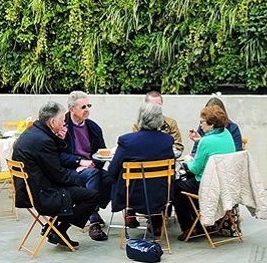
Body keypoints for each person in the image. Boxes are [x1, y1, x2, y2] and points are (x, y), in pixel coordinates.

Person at [11, 101, 100, 248]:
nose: (64, 124)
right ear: (52, 122)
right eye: (62, 121)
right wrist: (78, 180)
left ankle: (55, 229)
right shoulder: (43, 140)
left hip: (31, 187)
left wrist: (59, 139)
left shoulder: (32, 132)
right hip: (43, 192)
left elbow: (52, 162)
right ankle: (59, 230)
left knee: (81, 189)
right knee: (91, 195)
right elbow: (58, 175)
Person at [109, 102, 175, 235]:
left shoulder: (127, 140)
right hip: (160, 197)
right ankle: (157, 223)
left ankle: (130, 216)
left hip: (132, 198)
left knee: (118, 176)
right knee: (156, 181)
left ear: (140, 118)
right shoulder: (167, 140)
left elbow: (112, 170)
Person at [173, 105, 236, 241]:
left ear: (211, 124)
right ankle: (200, 222)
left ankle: (188, 226)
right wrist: (200, 140)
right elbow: (214, 149)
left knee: (175, 186)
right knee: (186, 184)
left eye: (202, 122)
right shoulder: (226, 134)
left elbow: (195, 168)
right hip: (225, 182)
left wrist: (188, 160)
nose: (200, 125)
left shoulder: (206, 142)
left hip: (207, 184)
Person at [58, 91, 110, 241]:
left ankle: (91, 209)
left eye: (89, 105)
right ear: (72, 110)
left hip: (91, 167)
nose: (87, 109)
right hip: (70, 169)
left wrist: (95, 163)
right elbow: (58, 155)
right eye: (83, 107)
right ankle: (93, 220)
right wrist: (79, 162)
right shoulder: (62, 126)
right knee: (93, 176)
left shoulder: (94, 127)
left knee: (111, 178)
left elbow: (102, 151)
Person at [143, 91, 183, 157]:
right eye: (152, 105)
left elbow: (178, 147)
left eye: (158, 105)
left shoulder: (171, 123)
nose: (156, 108)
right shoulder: (139, 124)